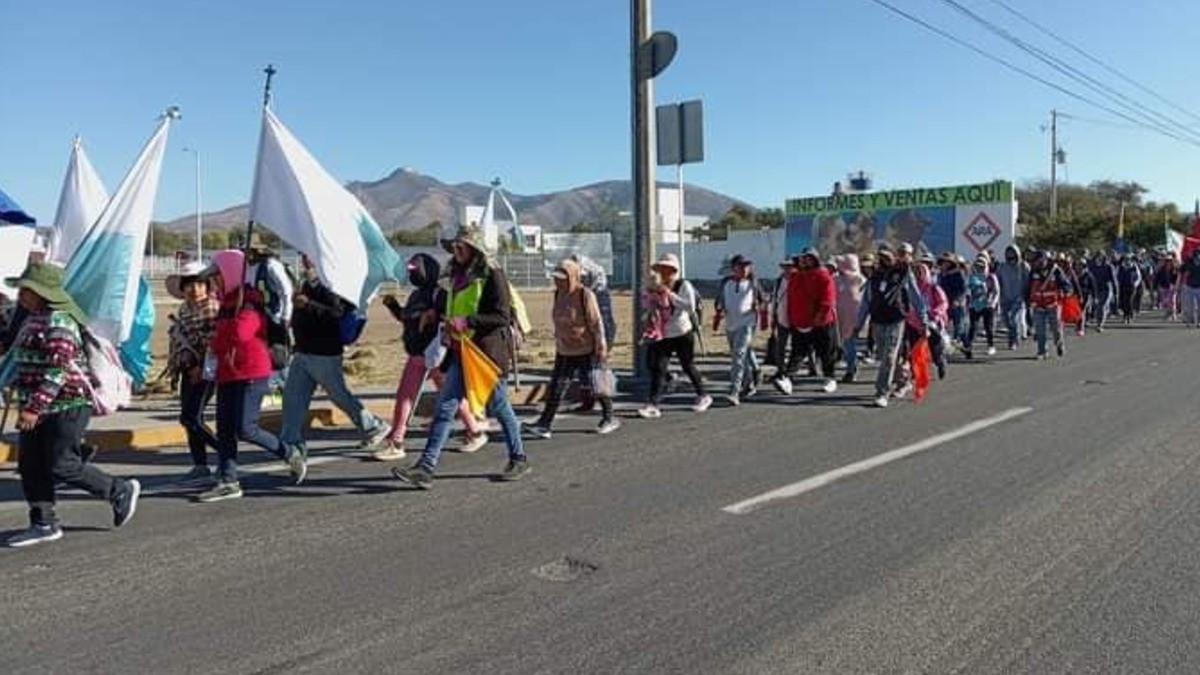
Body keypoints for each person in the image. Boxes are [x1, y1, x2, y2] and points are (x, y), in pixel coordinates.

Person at [4, 262, 140, 547]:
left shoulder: (60, 322)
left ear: (42, 293)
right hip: (38, 404)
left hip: (67, 405)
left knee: (61, 465)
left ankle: (118, 490)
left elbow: (58, 371)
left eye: (26, 290)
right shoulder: (33, 318)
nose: (21, 296)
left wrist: (34, 408)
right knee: (31, 466)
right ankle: (43, 522)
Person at [392, 225, 529, 490]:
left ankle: (518, 457)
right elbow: (450, 305)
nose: (456, 250)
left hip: (485, 357)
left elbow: (500, 316)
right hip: (459, 352)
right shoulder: (455, 275)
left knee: (500, 408)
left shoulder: (492, 275)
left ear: (474, 250)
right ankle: (425, 467)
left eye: (461, 246)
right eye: (454, 247)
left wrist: (466, 321)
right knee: (444, 409)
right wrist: (437, 313)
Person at [196, 250, 303, 502]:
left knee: (245, 428)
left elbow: (242, 333)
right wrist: (218, 339)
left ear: (231, 273)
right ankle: (228, 480)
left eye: (217, 276)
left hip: (251, 371)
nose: (214, 282)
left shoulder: (250, 298)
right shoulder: (226, 302)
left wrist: (217, 340)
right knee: (224, 430)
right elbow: (224, 336)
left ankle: (288, 452)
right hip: (227, 371)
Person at [371, 253, 489, 461]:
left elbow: (452, 317)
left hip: (435, 356)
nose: (413, 274)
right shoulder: (416, 295)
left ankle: (475, 432)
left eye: (415, 270)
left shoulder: (440, 295)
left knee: (448, 396)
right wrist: (393, 306)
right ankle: (397, 440)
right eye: (411, 271)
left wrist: (436, 314)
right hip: (416, 354)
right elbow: (407, 319)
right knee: (407, 396)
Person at [278, 255, 391, 463]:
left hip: (324, 353)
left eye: (310, 257)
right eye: (304, 257)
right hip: (303, 351)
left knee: (339, 396)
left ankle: (374, 426)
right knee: (292, 399)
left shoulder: (334, 286)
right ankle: (290, 445)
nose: (306, 261)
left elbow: (336, 314)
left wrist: (308, 304)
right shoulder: (307, 284)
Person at [525, 259, 619, 436]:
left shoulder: (585, 295)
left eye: (563, 278)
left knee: (595, 386)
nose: (558, 281)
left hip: (586, 349)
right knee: (556, 388)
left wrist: (601, 346)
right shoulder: (557, 294)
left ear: (574, 277)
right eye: (557, 277)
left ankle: (609, 417)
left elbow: (596, 323)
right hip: (565, 350)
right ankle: (545, 424)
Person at [636, 253, 712, 418]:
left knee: (687, 365)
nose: (664, 272)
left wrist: (669, 294)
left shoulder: (683, 285)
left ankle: (703, 395)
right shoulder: (653, 284)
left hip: (682, 332)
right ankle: (653, 404)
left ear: (674, 270)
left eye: (668, 268)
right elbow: (646, 304)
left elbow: (689, 306)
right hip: (662, 334)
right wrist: (650, 297)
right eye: (661, 268)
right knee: (658, 368)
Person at [165, 261, 220, 485]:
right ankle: (200, 464)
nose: (194, 289)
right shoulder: (185, 309)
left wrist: (200, 366)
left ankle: (227, 453)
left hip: (206, 370)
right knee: (188, 419)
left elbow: (213, 342)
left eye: (199, 284)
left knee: (191, 417)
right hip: (188, 369)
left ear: (207, 286)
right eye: (189, 285)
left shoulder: (212, 307)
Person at [856, 245, 928, 408]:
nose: (884, 259)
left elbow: (915, 296)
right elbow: (866, 301)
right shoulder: (874, 276)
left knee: (889, 356)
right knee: (884, 357)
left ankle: (881, 392)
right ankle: (903, 379)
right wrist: (858, 325)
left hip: (896, 320)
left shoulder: (902, 273)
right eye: (881, 256)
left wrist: (924, 320)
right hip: (877, 321)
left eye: (887, 256)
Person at [778, 248, 839, 394]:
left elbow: (828, 300)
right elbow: (792, 300)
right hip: (800, 323)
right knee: (797, 352)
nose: (804, 261)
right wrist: (792, 319)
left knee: (825, 352)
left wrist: (819, 316)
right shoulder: (796, 277)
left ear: (815, 259)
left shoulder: (823, 276)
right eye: (802, 258)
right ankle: (787, 378)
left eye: (808, 258)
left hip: (821, 322)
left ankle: (830, 378)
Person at [713, 254, 766, 405]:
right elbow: (719, 302)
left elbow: (763, 301)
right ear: (733, 268)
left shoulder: (753, 283)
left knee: (738, 356)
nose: (745, 269)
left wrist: (758, 306)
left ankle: (734, 391)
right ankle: (749, 384)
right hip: (731, 324)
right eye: (741, 266)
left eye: (747, 266)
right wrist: (720, 311)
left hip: (747, 324)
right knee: (741, 356)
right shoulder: (725, 283)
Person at [1027, 250, 1072, 359]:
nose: (1039, 263)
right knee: (1040, 330)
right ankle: (1042, 351)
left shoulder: (1055, 271)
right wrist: (1028, 299)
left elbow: (1066, 284)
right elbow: (1029, 287)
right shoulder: (1033, 272)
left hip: (1053, 305)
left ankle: (1059, 344)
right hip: (1038, 305)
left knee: (1056, 328)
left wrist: (1066, 291)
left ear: (1047, 260)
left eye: (1041, 260)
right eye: (1037, 261)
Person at [911, 255, 949, 380]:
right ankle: (916, 372)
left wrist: (935, 313)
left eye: (920, 272)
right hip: (914, 322)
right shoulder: (911, 289)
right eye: (915, 272)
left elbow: (943, 303)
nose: (918, 275)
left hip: (932, 322)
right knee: (914, 349)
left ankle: (940, 362)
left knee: (935, 348)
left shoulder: (933, 288)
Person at [834, 253, 866, 384]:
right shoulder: (837, 279)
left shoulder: (860, 280)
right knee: (845, 343)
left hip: (853, 317)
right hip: (840, 316)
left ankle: (851, 369)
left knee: (849, 343)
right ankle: (850, 366)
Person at [963, 253, 1000, 359]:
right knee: (973, 327)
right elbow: (968, 289)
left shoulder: (991, 277)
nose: (980, 267)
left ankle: (991, 345)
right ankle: (968, 348)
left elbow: (996, 291)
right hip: (975, 305)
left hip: (987, 305)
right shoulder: (972, 277)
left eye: (982, 265)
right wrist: (968, 302)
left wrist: (993, 303)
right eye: (978, 265)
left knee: (988, 327)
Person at [996, 245, 1030, 350]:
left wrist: (1025, 297)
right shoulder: (1002, 267)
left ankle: (1014, 340)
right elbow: (998, 282)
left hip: (1018, 298)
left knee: (1013, 319)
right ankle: (1015, 335)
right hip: (1005, 298)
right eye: (1009, 255)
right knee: (1006, 321)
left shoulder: (1024, 266)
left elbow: (1028, 282)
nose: (1011, 258)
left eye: (1013, 255)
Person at [937, 251, 969, 350]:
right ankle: (944, 348)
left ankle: (966, 346)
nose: (945, 264)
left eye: (947, 262)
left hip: (957, 304)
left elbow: (963, 289)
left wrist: (958, 300)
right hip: (945, 303)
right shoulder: (941, 275)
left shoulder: (959, 274)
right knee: (943, 326)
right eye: (943, 262)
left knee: (959, 327)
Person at [1088, 252, 1117, 332]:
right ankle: (1099, 322)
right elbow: (1090, 278)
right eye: (1097, 256)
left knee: (1102, 306)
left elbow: (1114, 280)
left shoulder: (1109, 267)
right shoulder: (1092, 267)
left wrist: (1116, 292)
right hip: (1097, 290)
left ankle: (1100, 325)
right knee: (1098, 307)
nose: (1099, 258)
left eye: (1100, 256)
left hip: (1107, 289)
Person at [1116, 254, 1143, 324]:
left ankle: (1130, 316)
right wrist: (1118, 283)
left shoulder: (1134, 267)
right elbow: (1117, 276)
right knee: (1124, 302)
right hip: (1123, 286)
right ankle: (1125, 316)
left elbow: (1139, 277)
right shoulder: (1121, 267)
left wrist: (1135, 284)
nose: (1127, 261)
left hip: (1132, 287)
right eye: (1126, 259)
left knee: (1130, 301)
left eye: (1128, 259)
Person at [1179, 249, 1200, 328]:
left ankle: (1198, 322)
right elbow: (1186, 275)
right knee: (1191, 306)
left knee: (1199, 307)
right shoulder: (1189, 264)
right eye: (1196, 255)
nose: (1198, 257)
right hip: (1190, 287)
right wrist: (1184, 285)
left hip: (1199, 287)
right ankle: (1189, 321)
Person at [1156, 253, 1180, 321]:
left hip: (1172, 286)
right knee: (1165, 301)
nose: (1168, 262)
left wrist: (1175, 285)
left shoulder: (1174, 268)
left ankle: (1173, 314)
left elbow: (1177, 277)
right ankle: (1168, 313)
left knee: (1172, 301)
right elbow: (1157, 277)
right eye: (1167, 260)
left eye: (1169, 260)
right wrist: (1157, 285)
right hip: (1164, 286)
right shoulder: (1161, 269)